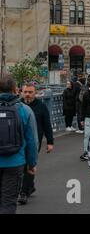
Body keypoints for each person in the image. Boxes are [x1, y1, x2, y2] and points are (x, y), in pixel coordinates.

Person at [0, 77, 38, 214]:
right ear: (15, 90)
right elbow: (31, 141)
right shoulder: (25, 110)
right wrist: (32, 164)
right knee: (8, 203)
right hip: (15, 162)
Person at [18, 83, 54, 205]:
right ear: (21, 92)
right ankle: (30, 186)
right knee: (23, 165)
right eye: (25, 92)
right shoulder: (17, 106)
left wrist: (50, 142)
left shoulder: (41, 106)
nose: (27, 94)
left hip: (34, 141)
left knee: (29, 164)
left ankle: (23, 192)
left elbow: (47, 125)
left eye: (30, 92)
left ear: (35, 93)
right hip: (19, 142)